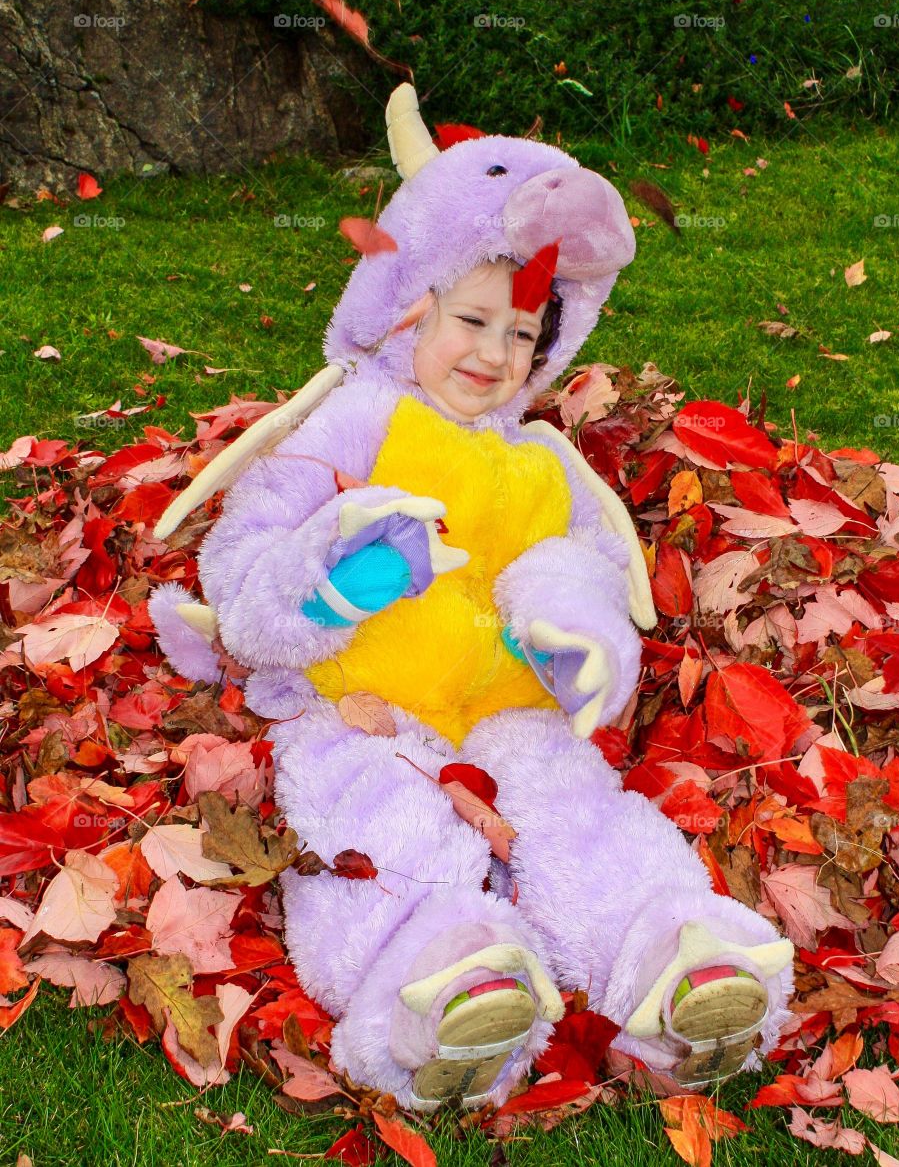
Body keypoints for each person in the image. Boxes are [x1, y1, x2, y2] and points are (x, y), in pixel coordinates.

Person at [150, 84, 794, 1113]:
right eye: (473, 317)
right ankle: (443, 988)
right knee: (375, 820)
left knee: (576, 811)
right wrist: (329, 579)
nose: (495, 355)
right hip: (362, 702)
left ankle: (679, 962)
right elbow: (242, 567)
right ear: (410, 299)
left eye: (525, 332)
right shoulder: (356, 421)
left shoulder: (544, 464)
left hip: (508, 708)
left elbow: (576, 563)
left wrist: (578, 636)